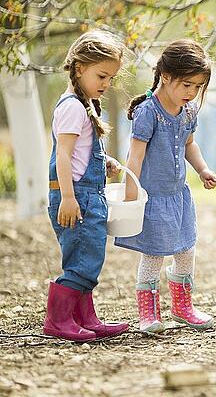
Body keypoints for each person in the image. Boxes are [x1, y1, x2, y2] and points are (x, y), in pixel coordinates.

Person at [116, 39, 216, 333]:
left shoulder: (188, 112)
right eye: (187, 84)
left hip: (178, 197)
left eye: (198, 87)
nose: (192, 92)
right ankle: (148, 313)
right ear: (165, 76)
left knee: (187, 249)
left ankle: (183, 307)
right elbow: (134, 157)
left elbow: (190, 144)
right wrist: (131, 196)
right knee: (154, 253)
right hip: (153, 198)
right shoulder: (148, 112)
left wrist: (202, 169)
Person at [45, 31, 129, 341]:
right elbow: (62, 156)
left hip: (87, 195)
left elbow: (80, 154)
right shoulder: (72, 107)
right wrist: (68, 197)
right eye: (102, 75)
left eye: (110, 77)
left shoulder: (86, 105)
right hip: (76, 196)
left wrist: (103, 162)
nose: (106, 84)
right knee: (81, 260)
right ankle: (58, 320)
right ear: (79, 68)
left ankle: (84, 317)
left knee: (89, 257)